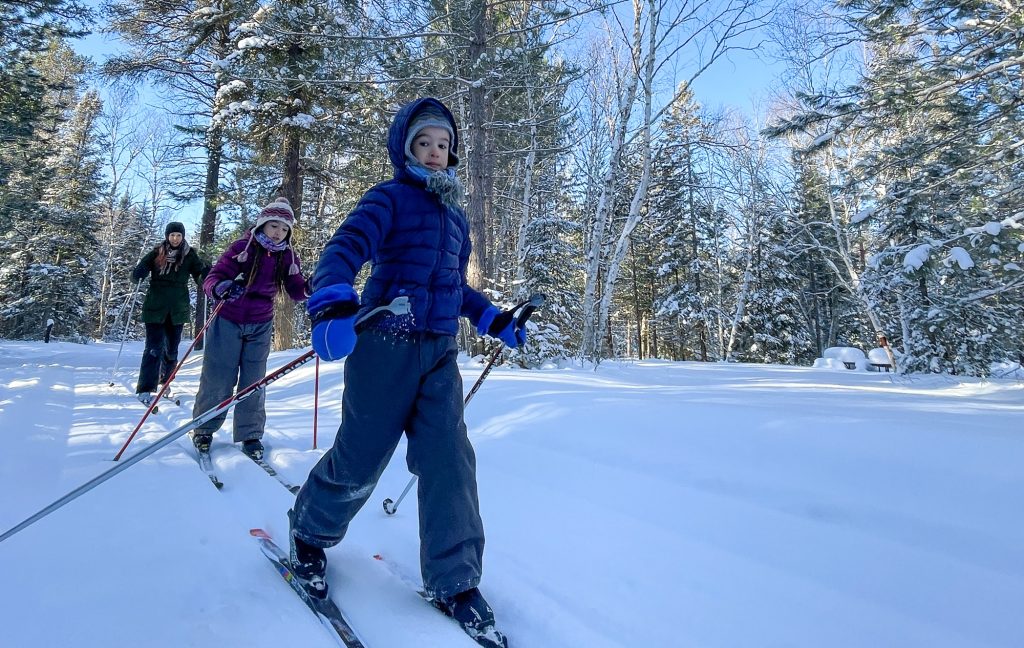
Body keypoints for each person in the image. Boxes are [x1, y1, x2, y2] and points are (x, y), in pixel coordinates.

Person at [288, 97, 525, 645]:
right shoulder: (389, 198)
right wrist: (331, 300)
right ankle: (309, 533)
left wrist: (493, 318)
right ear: (405, 148)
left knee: (449, 457)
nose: (436, 153)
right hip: (385, 346)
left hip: (439, 352)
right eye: (425, 143)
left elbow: (452, 288)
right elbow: (346, 246)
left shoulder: (456, 218)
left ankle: (455, 581)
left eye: (443, 145)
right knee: (363, 454)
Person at [190, 197, 309, 460]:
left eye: (284, 228)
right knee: (219, 376)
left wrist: (310, 288)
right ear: (262, 225)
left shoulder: (287, 256)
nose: (278, 233)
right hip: (228, 318)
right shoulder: (242, 248)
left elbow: (296, 290)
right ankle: (204, 428)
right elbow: (212, 279)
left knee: (254, 381)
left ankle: (250, 434)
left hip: (260, 322)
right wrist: (222, 288)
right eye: (274, 226)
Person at [132, 222, 209, 405]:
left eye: (179, 236)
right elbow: (138, 272)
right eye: (172, 235)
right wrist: (139, 273)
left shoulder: (189, 255)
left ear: (183, 237)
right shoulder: (156, 253)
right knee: (153, 348)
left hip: (177, 309)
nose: (175, 239)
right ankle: (145, 388)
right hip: (155, 307)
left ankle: (165, 382)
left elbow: (199, 275)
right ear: (167, 236)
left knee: (171, 350)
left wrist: (206, 275)